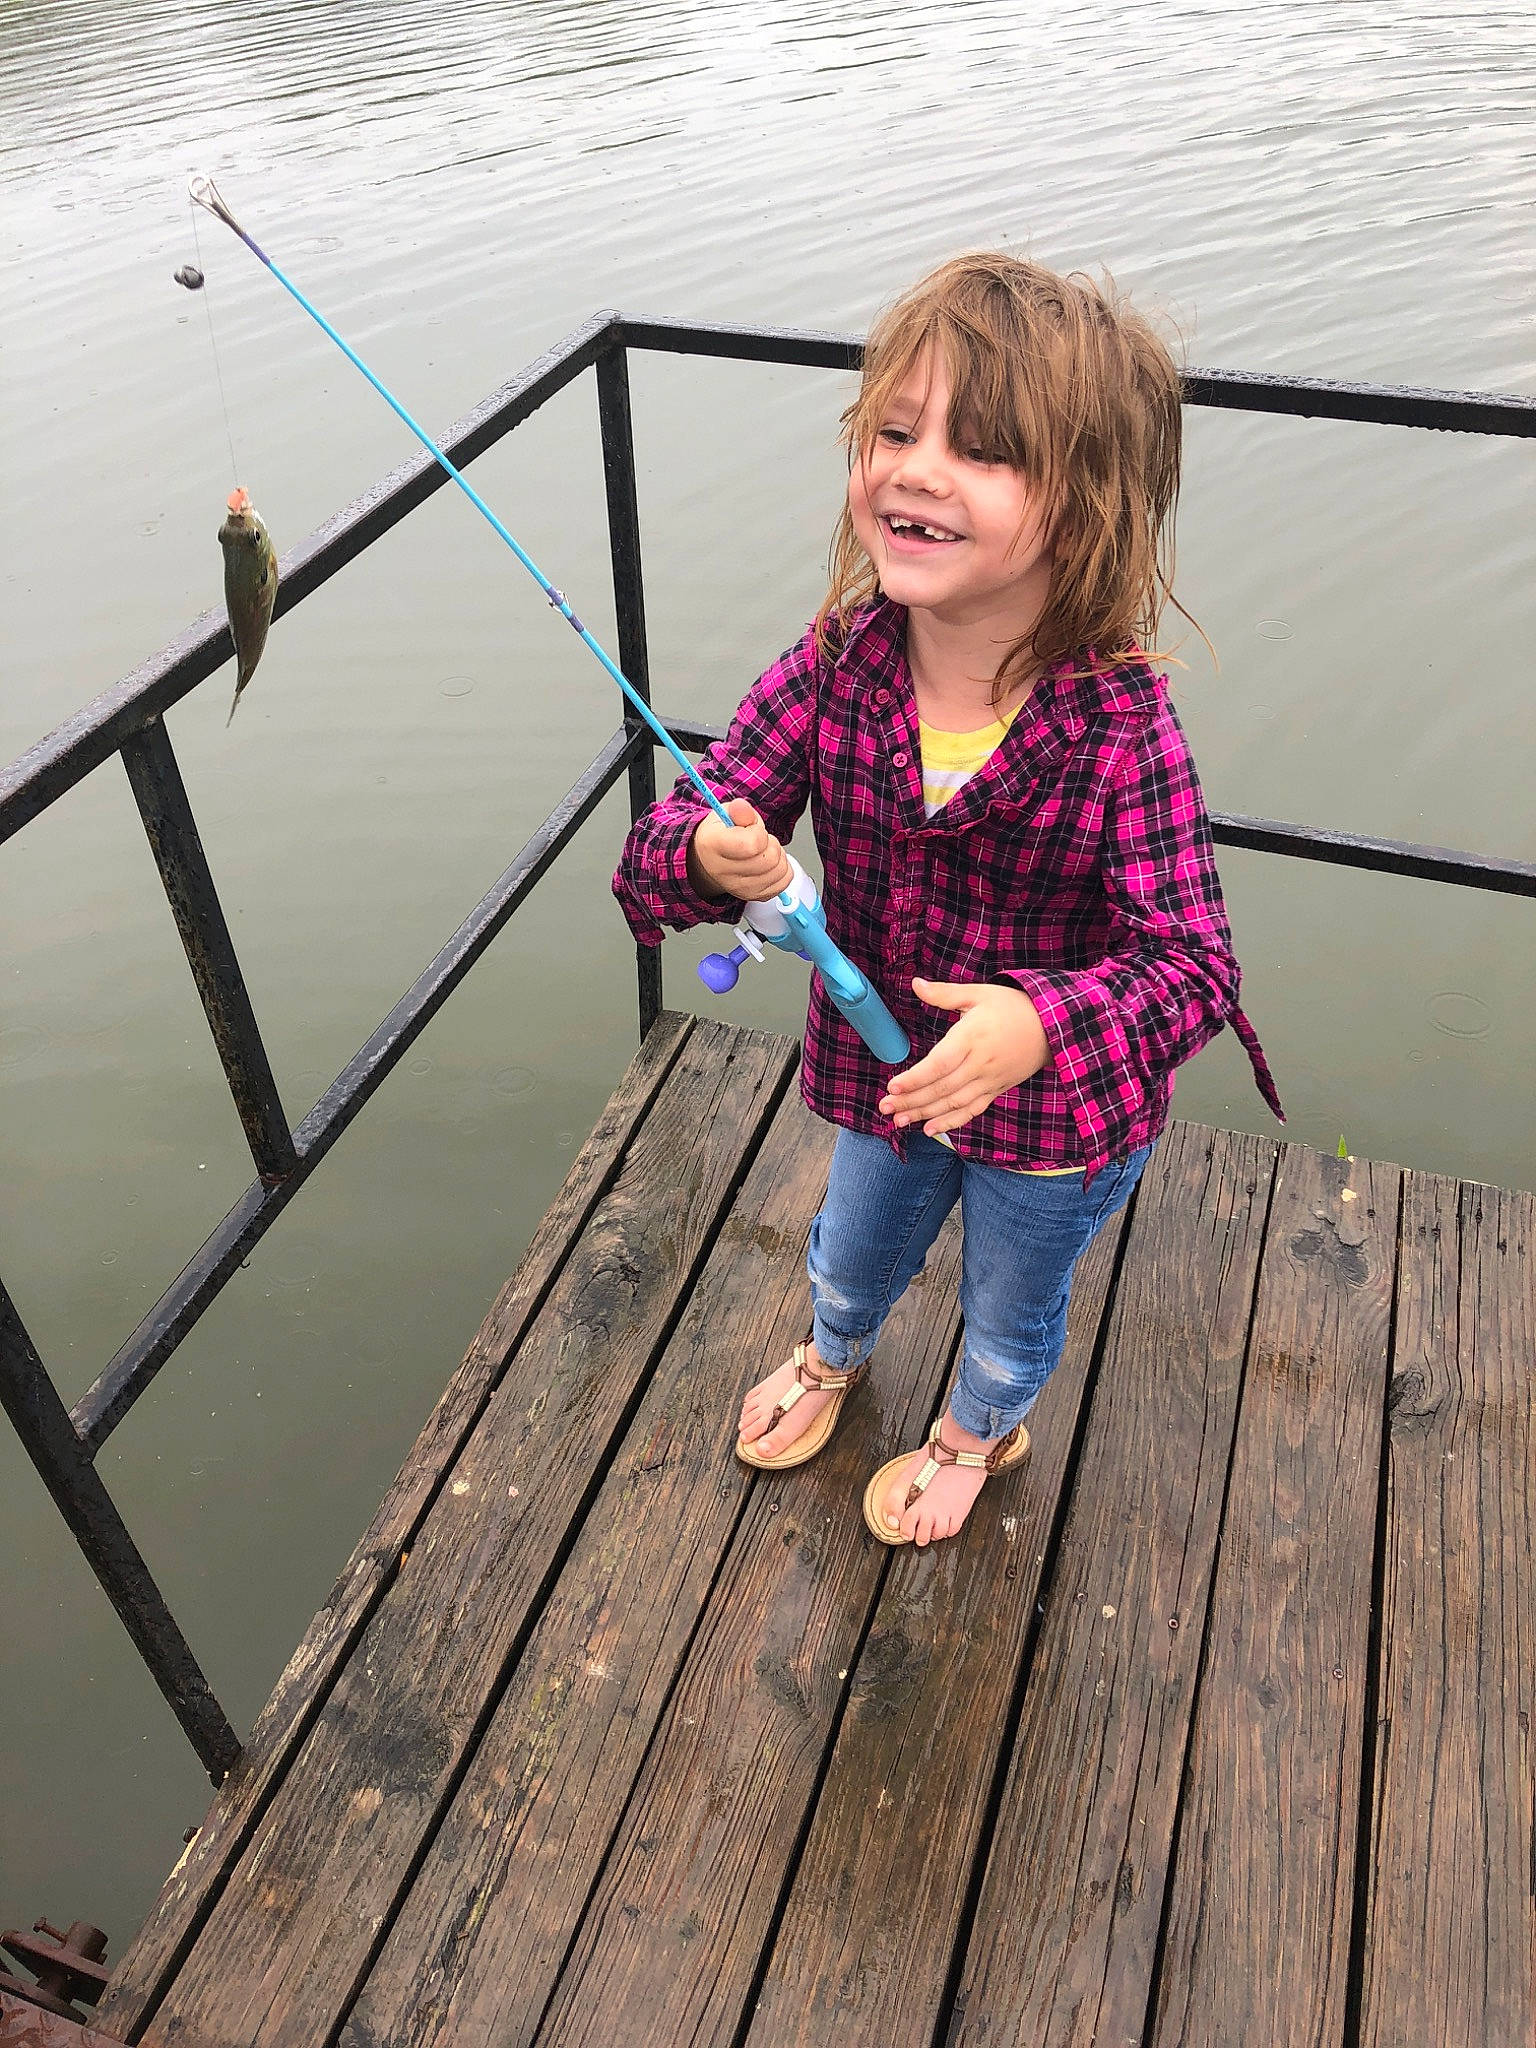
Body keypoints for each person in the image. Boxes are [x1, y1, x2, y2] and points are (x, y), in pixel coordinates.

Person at [612, 252, 1283, 1549]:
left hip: (1054, 1113)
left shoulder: (1120, 728)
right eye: (896, 431)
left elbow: (1192, 966)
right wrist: (711, 854)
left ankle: (981, 1426)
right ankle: (834, 1355)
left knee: (1014, 1293)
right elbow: (660, 848)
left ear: (1084, 512)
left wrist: (1040, 1024)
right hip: (883, 1072)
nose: (915, 469)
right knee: (850, 1243)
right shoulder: (831, 667)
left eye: (982, 450)